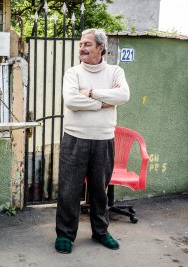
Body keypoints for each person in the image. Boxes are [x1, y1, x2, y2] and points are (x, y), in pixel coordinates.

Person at [55, 29, 130, 254]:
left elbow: (124, 95)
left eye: (87, 44)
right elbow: (71, 100)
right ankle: (65, 235)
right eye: (80, 44)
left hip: (103, 140)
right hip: (75, 139)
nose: (82, 48)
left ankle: (101, 232)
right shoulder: (73, 73)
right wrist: (103, 102)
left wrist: (90, 93)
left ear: (101, 48)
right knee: (69, 190)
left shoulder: (115, 71)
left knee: (100, 190)